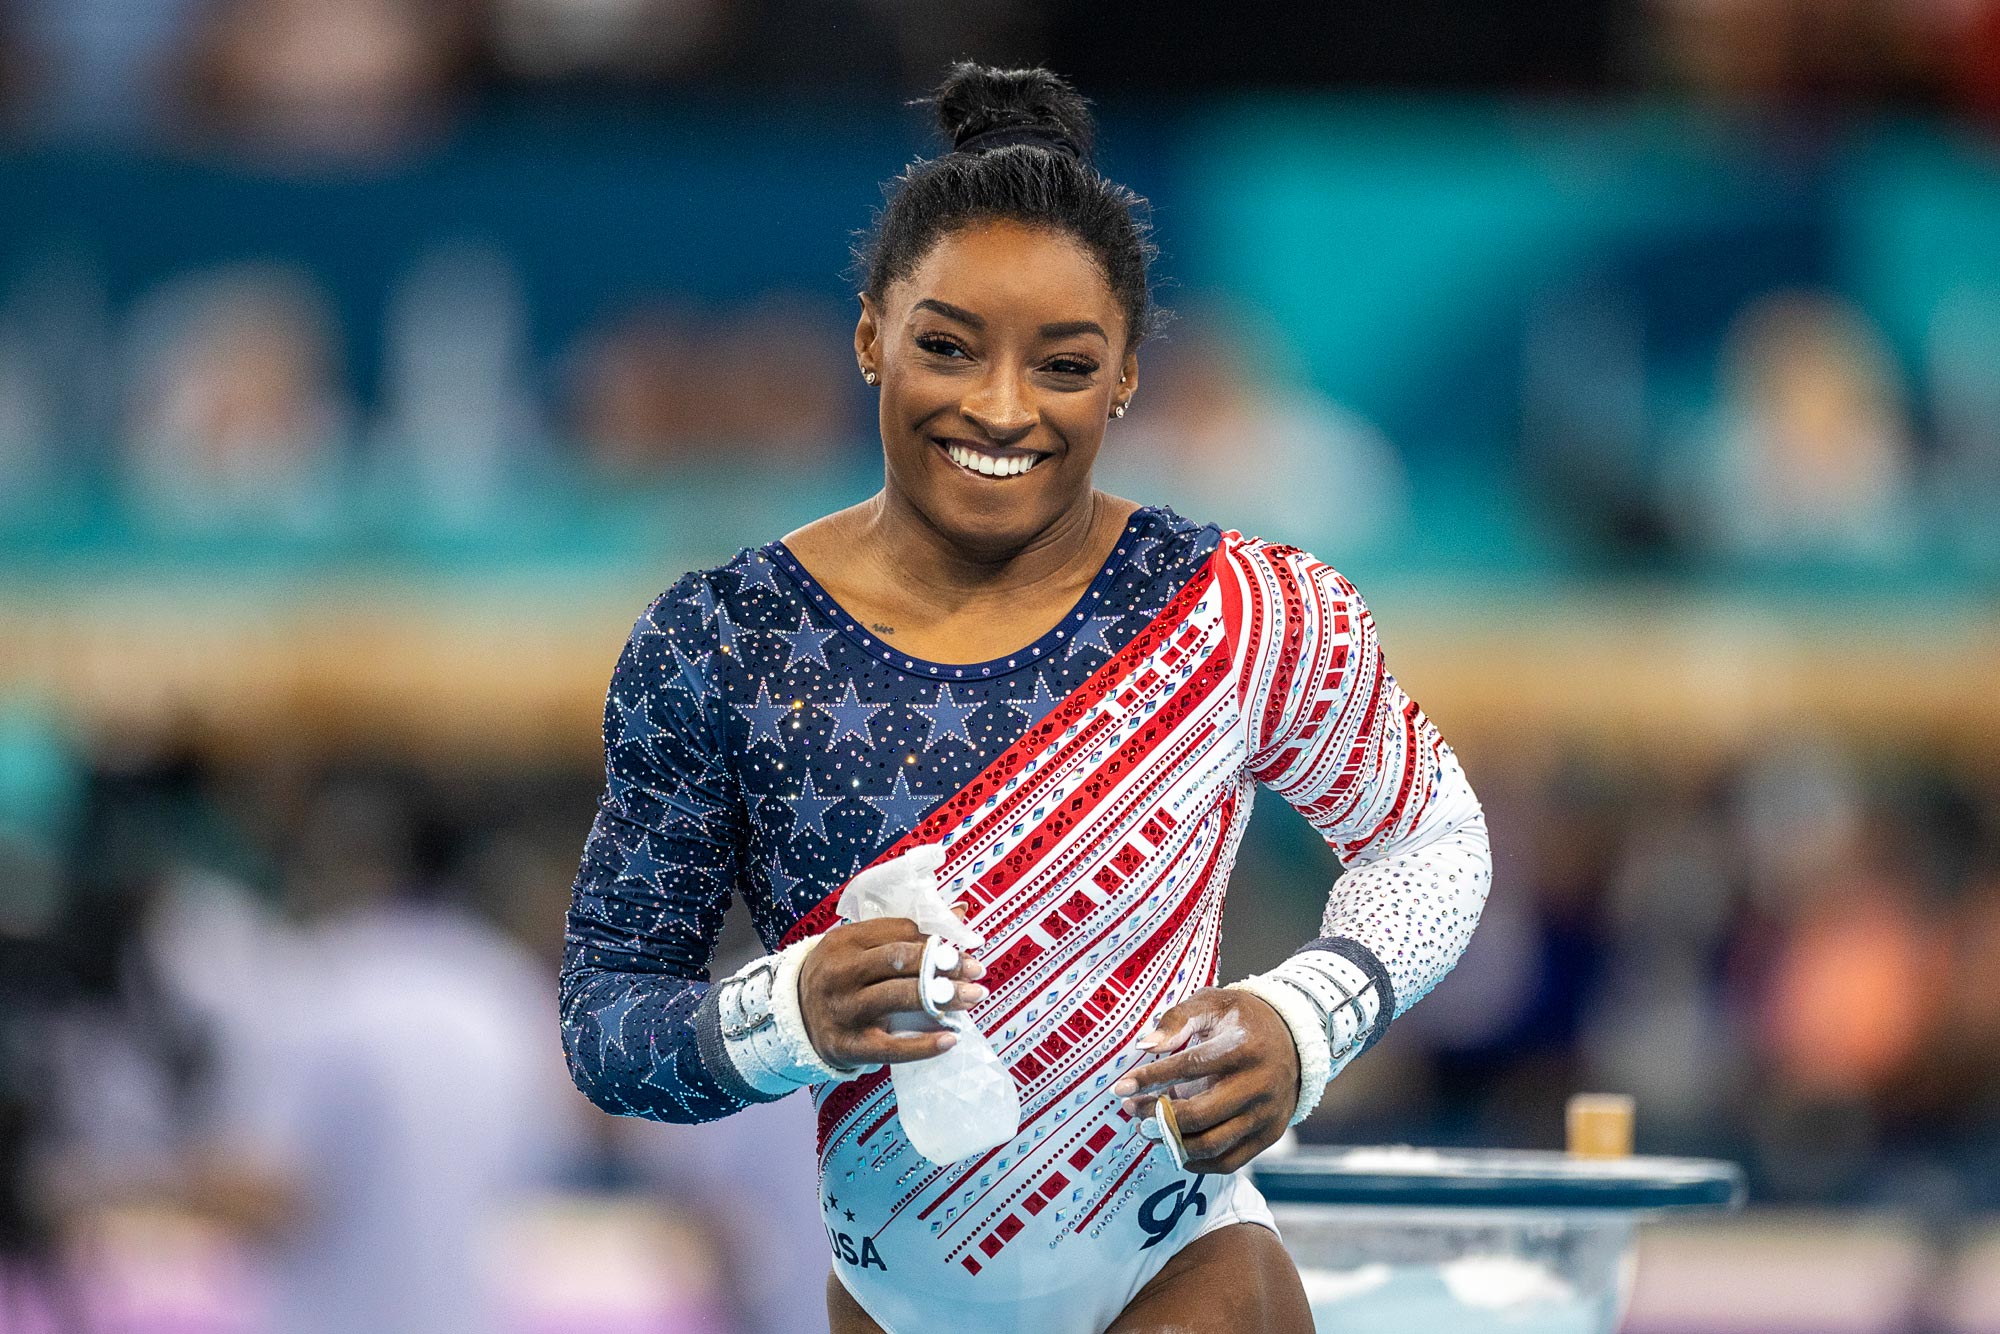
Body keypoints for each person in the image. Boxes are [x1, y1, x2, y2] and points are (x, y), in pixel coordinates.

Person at [561, 63, 1492, 1334]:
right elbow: (608, 1018)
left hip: (1183, 1266)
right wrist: (788, 1012)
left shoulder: (1236, 610)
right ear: (870, 333)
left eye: (1062, 364)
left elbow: (1430, 832)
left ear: (1121, 379)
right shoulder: (725, 642)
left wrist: (1303, 1014)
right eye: (946, 346)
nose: (999, 408)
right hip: (897, 1302)